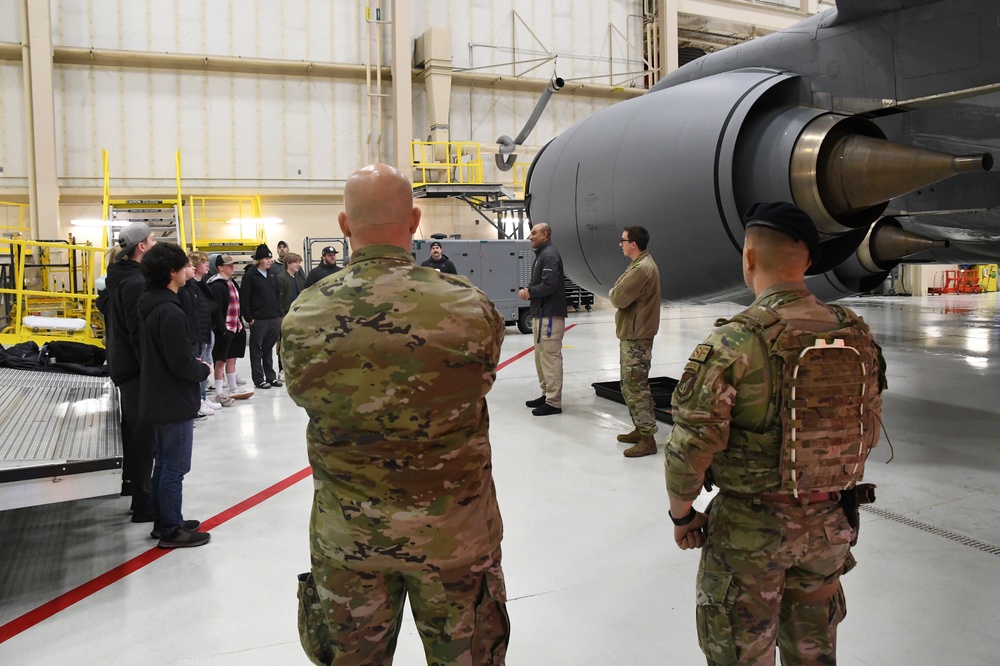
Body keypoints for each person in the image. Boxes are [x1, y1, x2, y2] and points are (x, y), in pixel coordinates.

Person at [282, 163, 509, 665]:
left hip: (349, 540)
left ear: (344, 225)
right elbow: (480, 383)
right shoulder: (469, 308)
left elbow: (305, 396)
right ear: (415, 220)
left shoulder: (305, 316)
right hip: (455, 537)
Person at [664, 202, 886, 665]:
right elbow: (869, 424)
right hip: (830, 527)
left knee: (742, 651)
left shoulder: (736, 342)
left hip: (752, 533)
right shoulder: (856, 335)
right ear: (807, 261)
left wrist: (683, 516)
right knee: (814, 650)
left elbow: (690, 447)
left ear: (748, 258)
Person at [136, 243, 213, 548]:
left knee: (165, 463)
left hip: (157, 394)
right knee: (175, 466)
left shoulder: (150, 302)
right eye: (183, 267)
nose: (188, 271)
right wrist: (202, 370)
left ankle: (165, 519)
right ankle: (170, 529)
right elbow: (180, 362)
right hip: (172, 399)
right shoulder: (169, 310)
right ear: (172, 272)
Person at [102, 221, 157, 522]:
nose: (155, 244)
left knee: (134, 430)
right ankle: (143, 502)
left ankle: (132, 485)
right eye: (152, 239)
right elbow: (138, 334)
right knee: (143, 435)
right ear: (141, 247)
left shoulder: (120, 276)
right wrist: (154, 371)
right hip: (136, 370)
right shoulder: (135, 283)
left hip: (124, 366)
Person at [609, 225, 661, 458]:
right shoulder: (639, 265)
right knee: (631, 385)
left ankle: (648, 438)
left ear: (633, 244)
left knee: (635, 387)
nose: (620, 244)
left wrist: (613, 292)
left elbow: (618, 297)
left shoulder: (641, 269)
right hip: (634, 334)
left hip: (636, 337)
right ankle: (642, 429)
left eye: (623, 240)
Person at [518, 222, 567, 416]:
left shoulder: (549, 255)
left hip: (549, 317)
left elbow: (550, 285)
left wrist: (529, 292)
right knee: (541, 357)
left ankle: (554, 402)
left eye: (534, 233)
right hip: (540, 314)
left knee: (550, 358)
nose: (530, 236)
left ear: (545, 235)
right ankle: (547, 394)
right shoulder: (541, 255)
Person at [207, 255, 253, 401]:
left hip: (235, 326)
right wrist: (222, 329)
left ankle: (233, 388)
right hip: (224, 328)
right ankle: (219, 392)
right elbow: (216, 310)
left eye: (232, 264)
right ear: (220, 267)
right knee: (220, 361)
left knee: (232, 358)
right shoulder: (216, 285)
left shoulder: (231, 282)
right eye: (228, 265)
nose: (232, 267)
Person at [240, 243, 283, 389]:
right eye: (266, 258)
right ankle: (258, 379)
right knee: (256, 350)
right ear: (259, 260)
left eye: (270, 258)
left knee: (268, 349)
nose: (269, 261)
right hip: (258, 320)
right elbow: (244, 298)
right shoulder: (250, 276)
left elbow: (278, 295)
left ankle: (271, 377)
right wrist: (249, 318)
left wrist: (279, 314)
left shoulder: (272, 275)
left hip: (273, 318)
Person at [276, 252, 305, 382]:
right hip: (285, 315)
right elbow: (279, 297)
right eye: (295, 262)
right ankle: (282, 369)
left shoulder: (298, 279)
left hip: (297, 315)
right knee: (283, 343)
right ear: (288, 263)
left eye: (299, 262)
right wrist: (282, 314)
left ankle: (295, 368)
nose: (298, 265)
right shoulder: (281, 278)